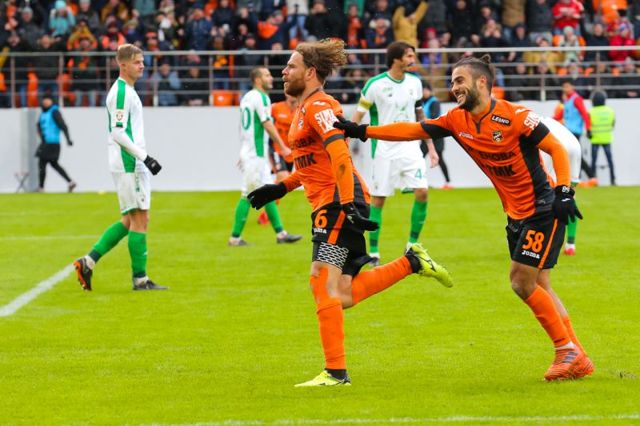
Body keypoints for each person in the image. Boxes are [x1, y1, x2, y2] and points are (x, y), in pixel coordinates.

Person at [335, 54, 594, 382]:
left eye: (459, 80)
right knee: (540, 285)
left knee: (521, 281)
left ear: (481, 82)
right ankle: (577, 355)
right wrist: (362, 130)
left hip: (541, 209)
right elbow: (412, 129)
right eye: (452, 81)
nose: (453, 87)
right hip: (515, 214)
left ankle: (565, 351)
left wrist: (564, 191)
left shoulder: (516, 116)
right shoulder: (456, 120)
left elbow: (556, 148)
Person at [247, 39, 453, 387]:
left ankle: (336, 372)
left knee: (320, 280)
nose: (284, 71)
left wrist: (346, 204)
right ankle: (412, 262)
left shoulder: (320, 106)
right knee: (341, 293)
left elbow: (340, 155)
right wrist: (281, 188)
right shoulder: (304, 108)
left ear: (310, 73)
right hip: (332, 201)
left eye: (291, 66)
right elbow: (313, 164)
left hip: (337, 202)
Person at [74, 44, 166, 292]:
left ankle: (87, 262)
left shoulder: (127, 90)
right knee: (140, 220)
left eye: (142, 61)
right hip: (129, 163)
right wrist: (145, 157)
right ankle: (140, 280)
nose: (142, 66)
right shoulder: (122, 92)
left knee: (129, 220)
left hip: (129, 162)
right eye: (137, 62)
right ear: (122, 64)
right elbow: (117, 132)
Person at [351, 41, 438, 266]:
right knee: (378, 200)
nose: (413, 59)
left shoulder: (415, 83)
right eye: (409, 55)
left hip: (410, 147)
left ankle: (412, 245)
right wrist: (344, 141)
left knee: (422, 192)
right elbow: (358, 117)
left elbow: (420, 117)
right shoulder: (374, 85)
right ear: (396, 59)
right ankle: (374, 251)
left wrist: (430, 147)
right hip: (383, 149)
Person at [228, 66, 302, 246]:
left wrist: (244, 149)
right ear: (257, 80)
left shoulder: (247, 97)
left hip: (252, 153)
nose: (271, 78)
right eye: (267, 75)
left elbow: (243, 126)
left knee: (266, 192)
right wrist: (282, 147)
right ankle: (235, 238)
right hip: (255, 154)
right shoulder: (261, 98)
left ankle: (280, 234)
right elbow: (266, 123)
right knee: (248, 194)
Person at [540, 116, 583, 256]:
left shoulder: (524, 123)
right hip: (574, 145)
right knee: (569, 195)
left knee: (543, 194)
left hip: (554, 145)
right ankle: (570, 244)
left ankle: (544, 242)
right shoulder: (545, 120)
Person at [554, 80, 597, 187]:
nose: (565, 89)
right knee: (574, 155)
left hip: (574, 131)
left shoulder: (577, 99)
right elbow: (560, 115)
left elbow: (584, 114)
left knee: (575, 155)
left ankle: (589, 177)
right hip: (568, 132)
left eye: (567, 86)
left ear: (572, 87)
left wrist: (588, 128)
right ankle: (587, 178)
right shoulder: (567, 101)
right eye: (564, 87)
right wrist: (547, 120)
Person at [35, 95, 76, 193]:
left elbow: (63, 126)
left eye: (47, 99)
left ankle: (41, 187)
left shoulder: (54, 112)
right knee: (53, 164)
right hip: (46, 142)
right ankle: (70, 182)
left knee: (42, 163)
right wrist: (41, 135)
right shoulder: (43, 113)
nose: (45, 101)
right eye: (44, 99)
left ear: (51, 101)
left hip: (52, 143)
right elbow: (39, 125)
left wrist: (68, 139)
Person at [422, 82, 451, 188]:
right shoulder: (422, 102)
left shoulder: (434, 102)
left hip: (437, 135)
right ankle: (418, 181)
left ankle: (448, 182)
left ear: (429, 91)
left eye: (425, 90)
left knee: (440, 158)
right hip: (426, 134)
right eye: (422, 90)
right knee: (419, 157)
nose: (424, 92)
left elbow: (434, 117)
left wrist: (422, 119)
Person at [588, 91, 616, 186]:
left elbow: (588, 126)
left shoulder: (591, 111)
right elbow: (613, 124)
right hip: (606, 138)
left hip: (595, 139)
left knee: (593, 161)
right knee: (610, 161)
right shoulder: (610, 111)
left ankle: (592, 180)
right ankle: (613, 180)